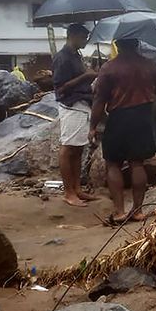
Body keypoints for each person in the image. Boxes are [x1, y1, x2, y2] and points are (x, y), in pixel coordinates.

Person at [89, 38, 156, 223]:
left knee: (113, 164)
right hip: (143, 118)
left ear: (118, 45)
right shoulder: (150, 66)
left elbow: (100, 100)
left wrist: (92, 126)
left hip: (118, 118)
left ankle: (119, 211)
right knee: (137, 163)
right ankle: (137, 211)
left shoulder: (109, 68)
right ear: (138, 44)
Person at [52, 24, 99, 208]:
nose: (85, 40)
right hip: (71, 105)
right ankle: (68, 192)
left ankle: (77, 188)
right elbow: (60, 88)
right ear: (72, 35)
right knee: (68, 148)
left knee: (78, 149)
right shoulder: (62, 57)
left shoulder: (76, 56)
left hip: (82, 104)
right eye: (82, 36)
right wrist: (85, 77)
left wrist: (88, 75)